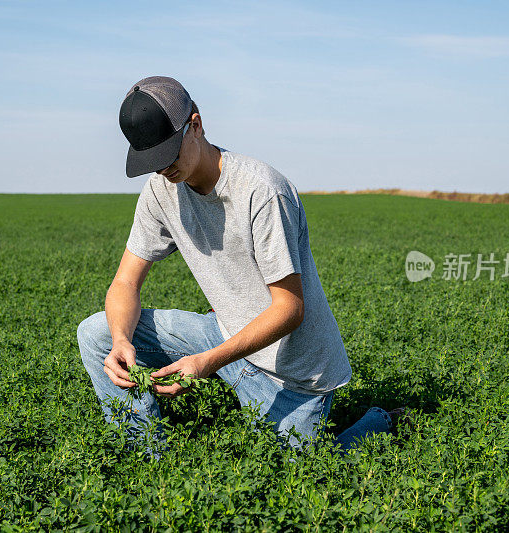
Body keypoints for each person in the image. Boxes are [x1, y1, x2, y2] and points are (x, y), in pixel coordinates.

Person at [77, 75, 402, 457]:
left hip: (294, 374)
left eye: (168, 154)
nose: (163, 169)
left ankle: (382, 421)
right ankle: (146, 457)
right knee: (96, 332)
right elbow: (124, 284)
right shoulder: (160, 191)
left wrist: (206, 362)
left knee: (295, 480)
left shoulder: (262, 190)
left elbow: (290, 309)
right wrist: (120, 340)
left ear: (195, 125)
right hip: (226, 336)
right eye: (152, 160)